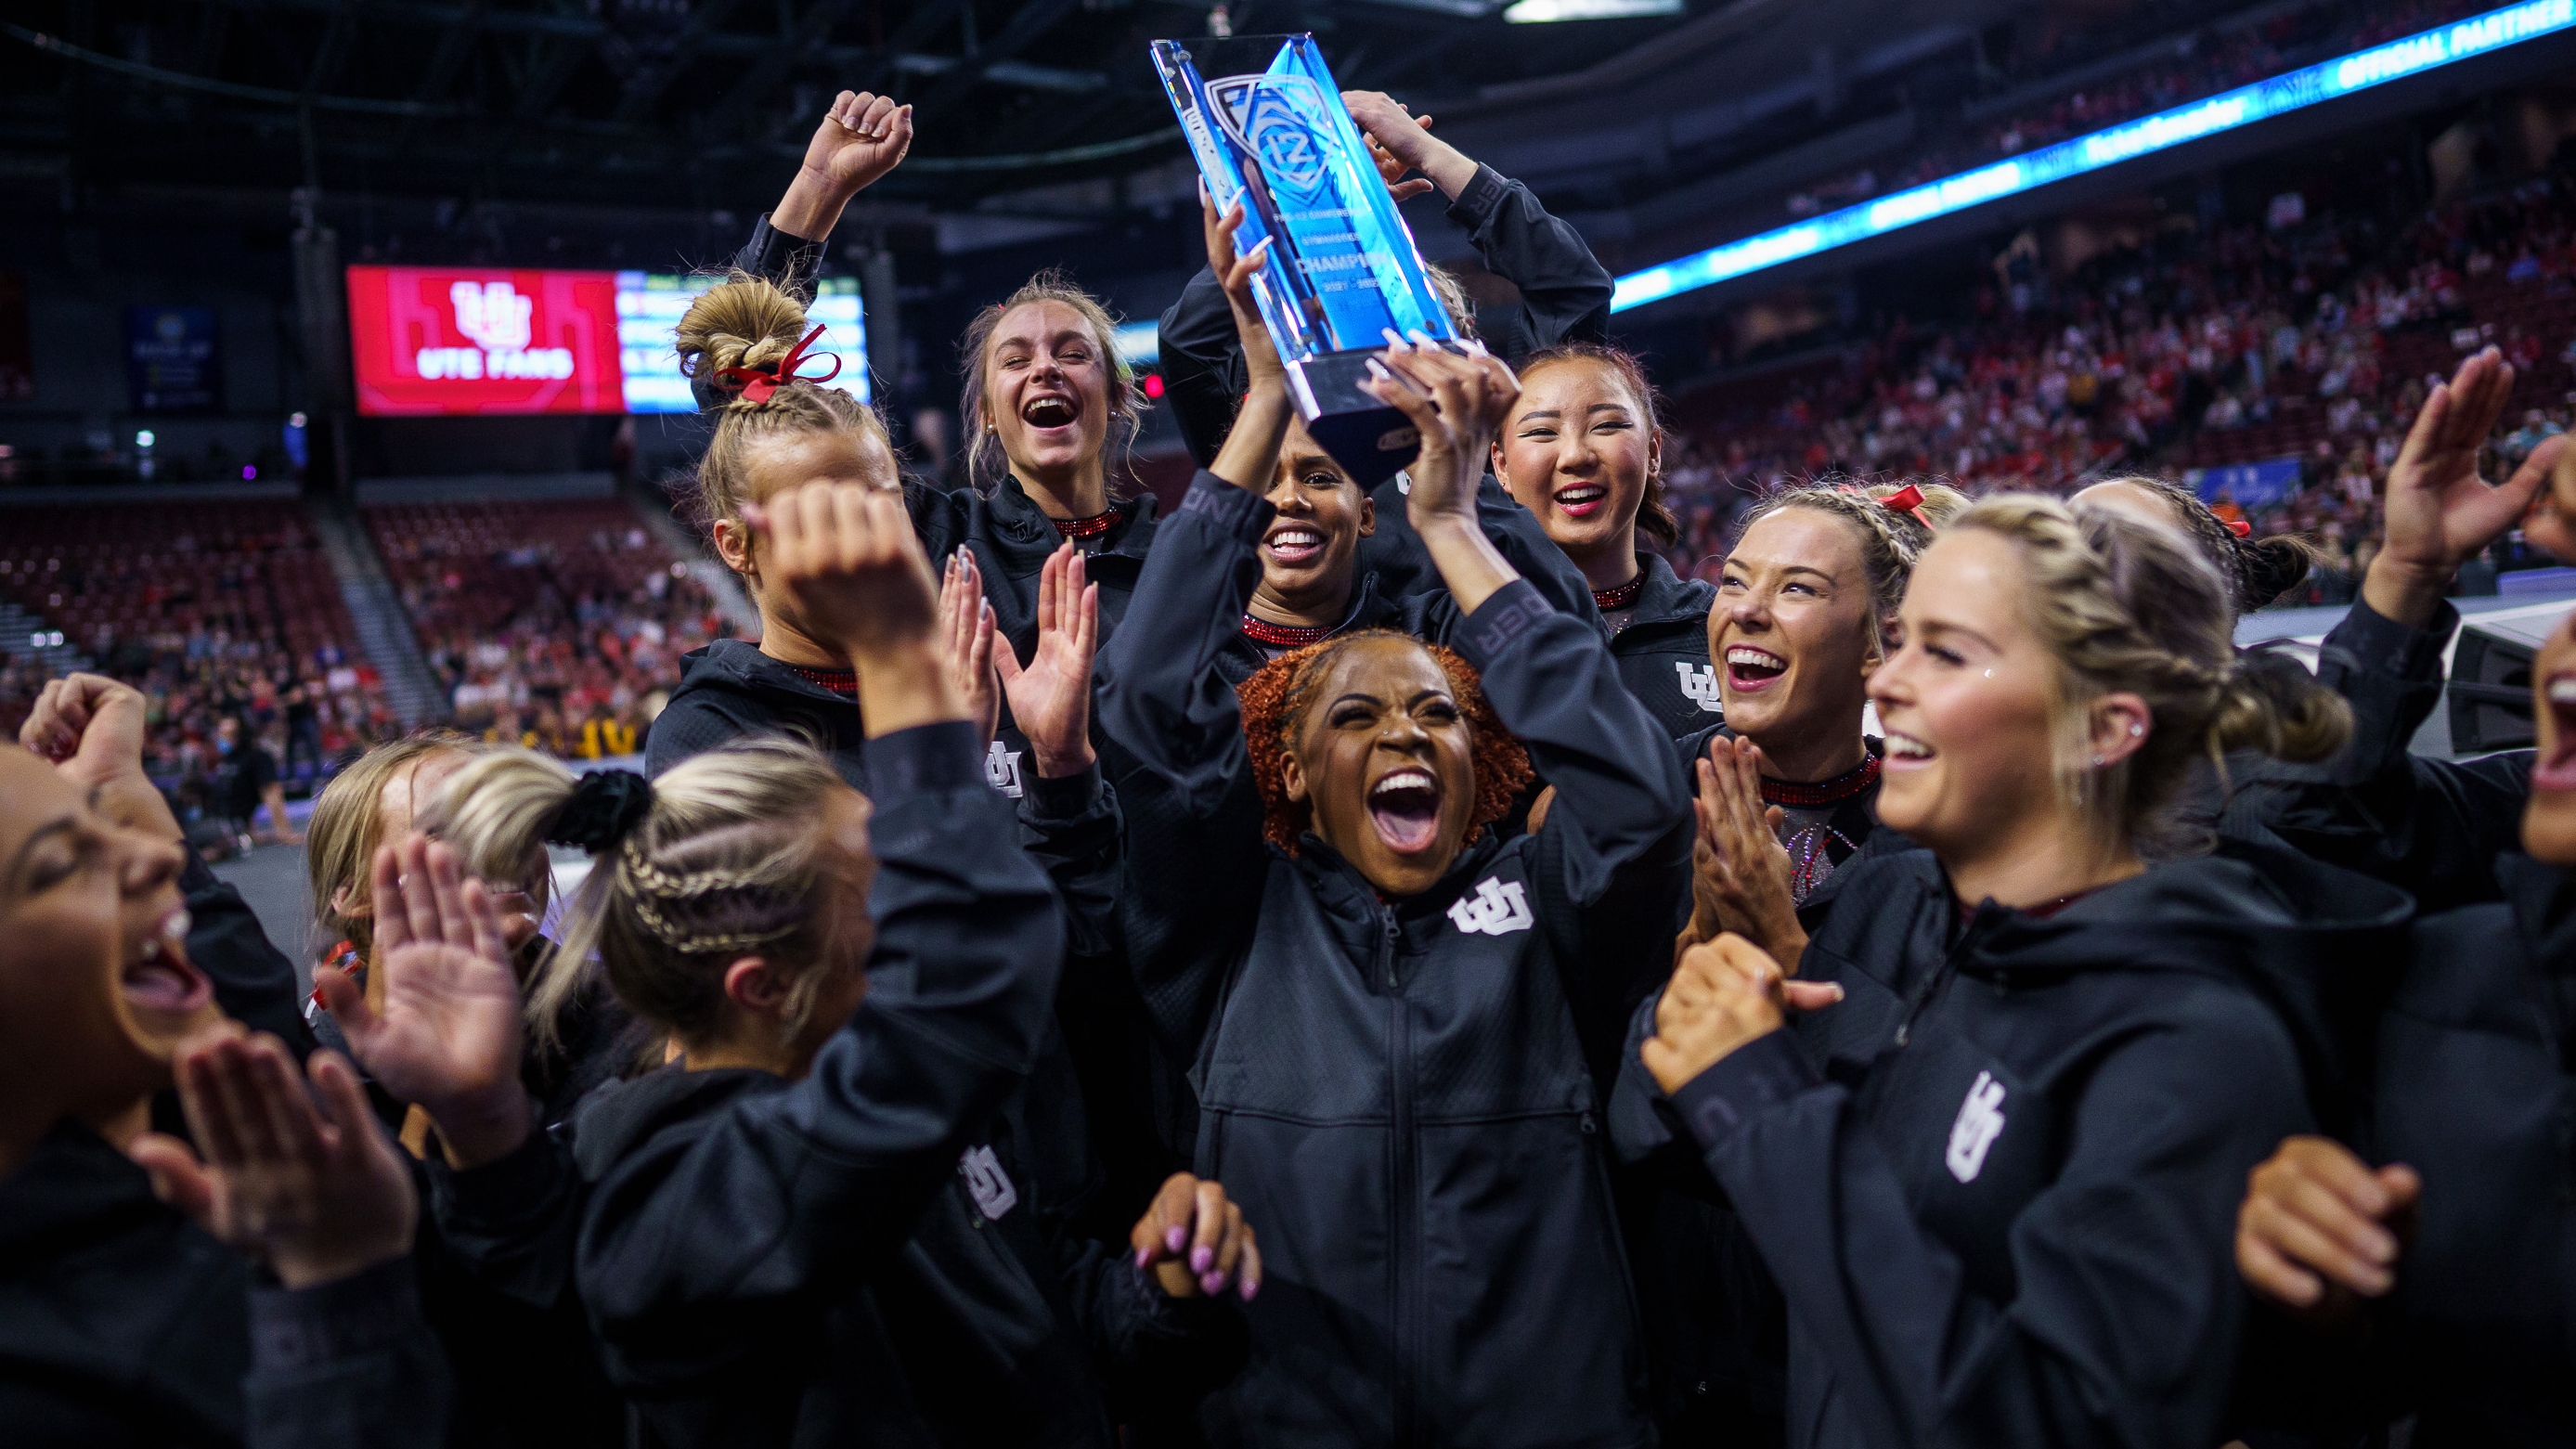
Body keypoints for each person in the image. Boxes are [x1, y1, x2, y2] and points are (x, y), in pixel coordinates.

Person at [354, 481, 1254, 1446]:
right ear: (766, 988)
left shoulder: (844, 1123)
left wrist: (1159, 1293)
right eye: (878, 896)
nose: (906, 921)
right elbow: (969, 980)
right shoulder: (696, 1190)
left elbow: (1031, 1319)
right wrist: (912, 691)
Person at [1622, 494, 2410, 1449]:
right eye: (1901, 641)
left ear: (2102, 727)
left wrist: (1764, 1103)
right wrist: (1706, 982)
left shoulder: (2190, 1039)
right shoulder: (1902, 908)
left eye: (1946, 653)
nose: (1892, 681)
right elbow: (1664, 1133)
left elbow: (2033, 1419)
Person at [1094, 320, 1690, 1444]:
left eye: (1438, 716)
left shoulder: (1552, 911)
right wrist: (1263, 399)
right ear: (1296, 776)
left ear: (1492, 758)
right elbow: (1145, 701)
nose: (1404, 739)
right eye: (1355, 719)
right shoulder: (1227, 927)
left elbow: (1640, 797)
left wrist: (1455, 522)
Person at [0, 673, 445, 1449]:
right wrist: (341, 1303)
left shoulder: (158, 1135)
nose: (151, 856)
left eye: (104, 826)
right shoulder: (67, 1389)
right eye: (61, 863)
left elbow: (249, 1026)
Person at [1157, 90, 1615, 607]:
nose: (1390, 353)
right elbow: (1189, 345)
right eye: (1361, 331)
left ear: (1468, 348)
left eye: (1416, 333)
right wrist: (1294, 214)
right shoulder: (1282, 439)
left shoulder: (1498, 434)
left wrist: (1431, 155)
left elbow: (1571, 289)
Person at [1492, 341, 1717, 735]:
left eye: (1607, 425)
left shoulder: (1720, 624)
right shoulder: (1461, 627)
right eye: (1542, 432)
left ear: (1653, 451)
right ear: (1501, 467)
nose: (1576, 456)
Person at [213, 715, 299, 847]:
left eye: (228, 734)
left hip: (227, 827)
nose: (223, 738)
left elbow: (273, 795)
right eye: (221, 733)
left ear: (241, 735)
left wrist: (284, 832)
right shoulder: (226, 760)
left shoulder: (257, 758)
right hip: (217, 822)